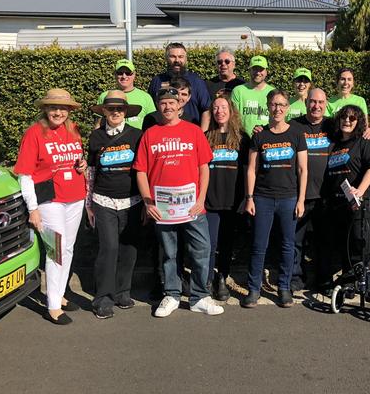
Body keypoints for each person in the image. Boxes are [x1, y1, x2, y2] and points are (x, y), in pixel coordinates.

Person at [133, 87, 224, 317]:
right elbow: (141, 171)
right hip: (163, 208)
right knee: (169, 253)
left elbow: (204, 168)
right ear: (158, 106)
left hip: (193, 206)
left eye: (172, 103)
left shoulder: (193, 132)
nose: (168, 107)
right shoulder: (150, 134)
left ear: (180, 105)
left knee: (202, 249)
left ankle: (199, 296)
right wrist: (148, 202)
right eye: (163, 103)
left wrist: (201, 199)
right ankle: (171, 295)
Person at [14, 88, 87, 325]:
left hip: (75, 196)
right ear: (45, 109)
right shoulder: (34, 134)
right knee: (55, 250)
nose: (58, 112)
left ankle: (59, 294)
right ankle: (52, 306)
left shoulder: (73, 129)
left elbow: (76, 158)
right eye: (54, 108)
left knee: (67, 249)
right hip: (49, 200)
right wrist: (32, 208)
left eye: (63, 108)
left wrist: (81, 164)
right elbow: (25, 175)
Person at [242, 89, 308, 308]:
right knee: (259, 245)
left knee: (288, 246)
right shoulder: (260, 135)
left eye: (282, 105)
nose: (277, 108)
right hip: (262, 198)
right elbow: (251, 169)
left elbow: (302, 170)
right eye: (274, 104)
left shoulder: (297, 134)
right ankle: (253, 289)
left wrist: (301, 200)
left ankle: (284, 287)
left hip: (289, 198)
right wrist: (249, 197)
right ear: (268, 107)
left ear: (287, 108)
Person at [86, 90, 143, 319]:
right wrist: (88, 203)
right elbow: (90, 171)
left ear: (126, 112)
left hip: (132, 201)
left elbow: (143, 169)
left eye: (120, 109)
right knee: (109, 248)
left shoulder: (137, 135)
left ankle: (122, 292)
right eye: (111, 109)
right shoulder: (96, 137)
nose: (116, 112)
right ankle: (103, 298)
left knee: (129, 250)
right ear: (104, 112)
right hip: (103, 200)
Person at [321, 104, 370, 289]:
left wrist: (360, 190)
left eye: (352, 118)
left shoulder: (365, 140)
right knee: (346, 242)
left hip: (366, 199)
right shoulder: (335, 143)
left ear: (359, 121)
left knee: (360, 239)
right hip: (341, 201)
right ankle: (349, 280)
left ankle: (364, 277)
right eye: (344, 117)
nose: (347, 121)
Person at [287, 88, 333, 291]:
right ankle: (295, 277)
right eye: (313, 102)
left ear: (326, 104)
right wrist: (260, 130)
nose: (316, 106)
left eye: (321, 102)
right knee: (296, 240)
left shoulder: (333, 125)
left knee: (324, 241)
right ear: (306, 103)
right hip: (300, 194)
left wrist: (369, 131)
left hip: (326, 195)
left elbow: (355, 130)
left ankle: (324, 280)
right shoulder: (295, 125)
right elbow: (274, 130)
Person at [204, 95, 250, 301]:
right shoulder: (205, 137)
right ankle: (206, 278)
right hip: (209, 200)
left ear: (231, 111)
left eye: (223, 107)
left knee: (227, 243)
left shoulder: (242, 138)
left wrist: (247, 197)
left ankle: (222, 277)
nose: (219, 111)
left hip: (233, 200)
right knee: (209, 243)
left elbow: (249, 170)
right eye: (215, 108)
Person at [148, 42, 211, 131]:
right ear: (166, 58)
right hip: (163, 134)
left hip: (190, 133)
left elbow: (206, 110)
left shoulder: (196, 81)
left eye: (181, 57)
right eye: (173, 56)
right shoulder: (157, 81)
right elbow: (152, 109)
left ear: (186, 59)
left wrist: (202, 134)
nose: (177, 60)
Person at [96, 59, 156, 130]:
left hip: (138, 139)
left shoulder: (145, 97)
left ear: (134, 75)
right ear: (115, 74)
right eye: (120, 73)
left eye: (128, 73)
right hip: (110, 139)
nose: (124, 76)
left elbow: (153, 125)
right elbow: (98, 124)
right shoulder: (105, 96)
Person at [231, 55, 275, 136]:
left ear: (266, 72)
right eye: (255, 69)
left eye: (261, 69)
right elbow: (233, 118)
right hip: (243, 139)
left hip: (267, 138)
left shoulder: (273, 92)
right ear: (249, 70)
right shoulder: (238, 91)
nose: (258, 72)